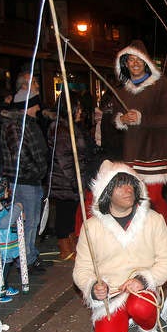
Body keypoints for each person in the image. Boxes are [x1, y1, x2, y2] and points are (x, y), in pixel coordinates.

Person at [72, 161, 167, 332]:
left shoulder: (153, 219)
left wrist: (143, 280)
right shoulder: (91, 227)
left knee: (141, 307)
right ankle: (116, 322)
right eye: (120, 185)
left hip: (141, 292)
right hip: (111, 297)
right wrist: (93, 288)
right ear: (106, 191)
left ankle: (148, 330)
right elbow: (81, 269)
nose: (128, 189)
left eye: (131, 184)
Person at [106, 40, 167, 225]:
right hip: (131, 151)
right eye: (130, 59)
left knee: (153, 199)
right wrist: (121, 119)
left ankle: (164, 232)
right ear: (125, 63)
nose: (135, 63)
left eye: (139, 59)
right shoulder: (121, 90)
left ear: (146, 61)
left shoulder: (162, 85)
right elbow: (113, 118)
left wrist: (141, 119)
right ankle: (140, 236)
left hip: (154, 151)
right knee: (134, 200)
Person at [0, 93, 49, 274]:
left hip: (31, 179)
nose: (38, 109)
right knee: (28, 221)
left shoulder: (27, 123)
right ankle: (24, 261)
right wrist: (37, 171)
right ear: (29, 106)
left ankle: (30, 255)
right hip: (23, 181)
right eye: (35, 105)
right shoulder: (15, 125)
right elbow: (20, 154)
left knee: (33, 220)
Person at [48, 98, 95, 260]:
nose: (80, 112)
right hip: (64, 182)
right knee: (64, 214)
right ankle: (64, 248)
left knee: (70, 214)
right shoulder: (60, 130)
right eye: (78, 108)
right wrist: (75, 181)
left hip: (72, 179)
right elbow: (65, 159)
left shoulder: (71, 127)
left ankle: (71, 243)